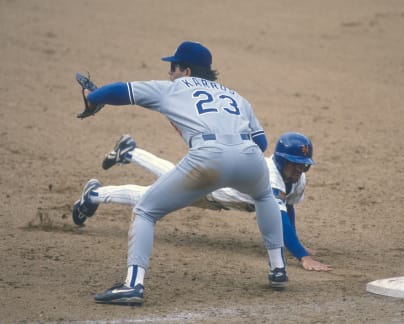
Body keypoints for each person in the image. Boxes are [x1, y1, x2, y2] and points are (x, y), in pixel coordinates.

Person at [74, 41, 287, 305]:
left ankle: (132, 286)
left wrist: (92, 97)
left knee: (145, 210)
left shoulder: (173, 88)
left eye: (172, 67)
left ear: (185, 71)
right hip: (249, 158)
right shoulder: (236, 96)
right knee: (265, 196)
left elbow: (122, 90)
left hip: (208, 158)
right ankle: (278, 269)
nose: (169, 73)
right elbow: (262, 144)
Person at [73, 132, 332, 272]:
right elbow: (279, 218)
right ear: (281, 160)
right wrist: (301, 256)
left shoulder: (296, 180)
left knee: (168, 172)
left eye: (304, 166)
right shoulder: (271, 176)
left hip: (212, 185)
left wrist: (299, 244)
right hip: (206, 189)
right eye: (295, 164)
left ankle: (130, 151)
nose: (299, 170)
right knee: (147, 198)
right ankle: (94, 194)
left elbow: (287, 208)